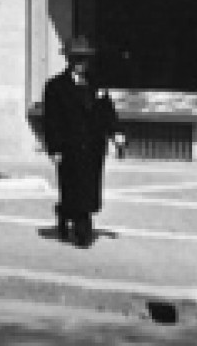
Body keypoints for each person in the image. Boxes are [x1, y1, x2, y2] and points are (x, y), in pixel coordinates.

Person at [42, 35, 124, 249]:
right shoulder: (55, 86)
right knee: (72, 187)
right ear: (69, 60)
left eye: (85, 59)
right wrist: (54, 148)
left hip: (93, 146)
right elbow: (51, 121)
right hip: (70, 147)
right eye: (77, 59)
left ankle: (68, 213)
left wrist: (116, 133)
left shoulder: (97, 84)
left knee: (89, 187)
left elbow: (107, 111)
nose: (81, 64)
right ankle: (81, 228)